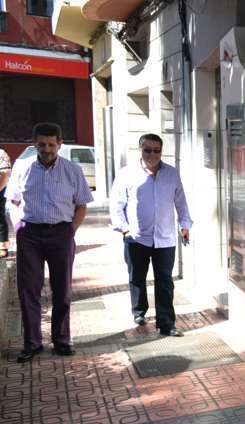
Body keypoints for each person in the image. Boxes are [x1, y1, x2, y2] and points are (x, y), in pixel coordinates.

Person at [4, 123, 93, 362]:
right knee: (28, 290)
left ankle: (61, 340)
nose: (47, 149)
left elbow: (81, 205)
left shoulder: (72, 170)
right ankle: (32, 343)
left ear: (60, 144)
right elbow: (13, 201)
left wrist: (70, 231)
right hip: (29, 235)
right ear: (35, 143)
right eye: (42, 144)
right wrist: (19, 227)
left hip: (61, 234)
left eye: (51, 144)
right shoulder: (22, 167)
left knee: (62, 290)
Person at [110, 133, 192, 337]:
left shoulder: (172, 174)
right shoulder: (126, 173)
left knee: (165, 281)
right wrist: (125, 229)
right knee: (137, 277)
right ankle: (139, 312)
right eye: (148, 150)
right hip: (136, 237)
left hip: (165, 238)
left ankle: (166, 323)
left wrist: (185, 225)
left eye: (157, 151)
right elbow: (117, 204)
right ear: (140, 150)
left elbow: (181, 202)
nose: (152, 154)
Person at [0, 147, 11, 258]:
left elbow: (6, 174)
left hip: (0, 189)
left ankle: (2, 246)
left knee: (0, 217)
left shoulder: (1, 153)